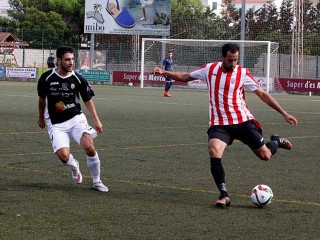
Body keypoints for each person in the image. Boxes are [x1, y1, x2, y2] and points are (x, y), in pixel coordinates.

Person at [153, 43, 298, 207]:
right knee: (214, 149)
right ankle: (224, 195)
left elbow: (262, 94)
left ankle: (276, 142)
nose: (233, 63)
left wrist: (284, 113)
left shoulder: (242, 73)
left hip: (243, 122)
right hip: (220, 124)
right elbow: (186, 76)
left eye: (235, 60)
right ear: (222, 57)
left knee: (265, 155)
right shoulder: (210, 69)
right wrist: (165, 72)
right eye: (230, 60)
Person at [37, 46, 108, 192]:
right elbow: (42, 99)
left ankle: (97, 181)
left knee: (90, 147)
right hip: (55, 123)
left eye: (72, 59)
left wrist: (96, 120)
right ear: (59, 60)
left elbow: (88, 100)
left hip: (76, 119)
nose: (71, 62)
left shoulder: (77, 78)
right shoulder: (46, 78)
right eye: (67, 59)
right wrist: (41, 117)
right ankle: (74, 166)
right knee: (64, 156)